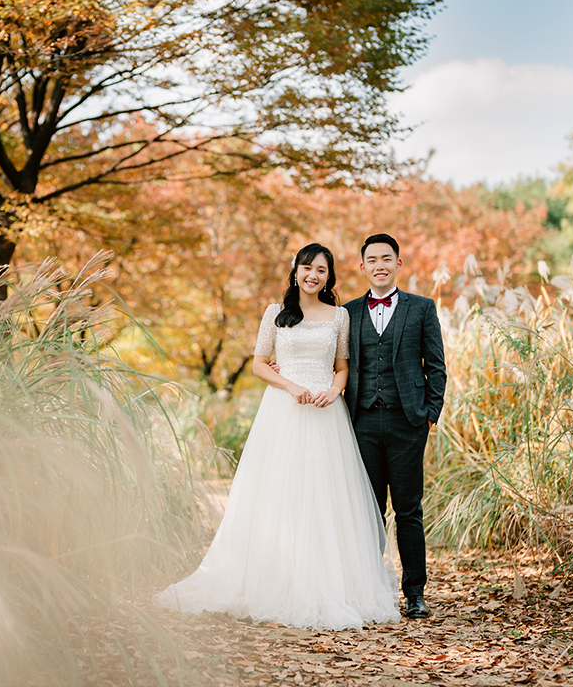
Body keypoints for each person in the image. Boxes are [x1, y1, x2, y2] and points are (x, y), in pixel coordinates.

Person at [154, 243, 400, 630]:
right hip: (283, 410)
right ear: (295, 270)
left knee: (323, 495)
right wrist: (290, 385)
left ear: (329, 276)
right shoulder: (275, 314)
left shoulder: (339, 317)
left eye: (321, 270)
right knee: (277, 491)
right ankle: (273, 578)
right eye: (307, 268)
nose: (313, 276)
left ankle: (325, 582)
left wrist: (333, 391)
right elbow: (257, 365)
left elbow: (341, 368)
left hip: (324, 412)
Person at [343, 233, 447, 619]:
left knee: (408, 511)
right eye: (373, 260)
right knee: (367, 510)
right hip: (361, 423)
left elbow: (435, 366)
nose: (380, 265)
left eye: (387, 258)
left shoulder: (422, 308)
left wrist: (429, 414)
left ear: (398, 264)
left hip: (408, 423)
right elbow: (336, 363)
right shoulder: (348, 312)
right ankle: (370, 591)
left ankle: (415, 593)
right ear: (363, 267)